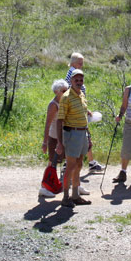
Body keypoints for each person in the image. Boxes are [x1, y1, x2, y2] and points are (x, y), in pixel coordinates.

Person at [55, 69, 93, 207]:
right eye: (76, 80)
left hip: (82, 133)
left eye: (81, 80)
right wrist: (59, 142)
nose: (78, 82)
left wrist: (88, 136)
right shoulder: (66, 97)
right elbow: (60, 120)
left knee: (79, 164)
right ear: (71, 81)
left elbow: (83, 116)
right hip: (71, 134)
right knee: (70, 166)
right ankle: (65, 197)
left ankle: (75, 196)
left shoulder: (81, 94)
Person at [65, 52, 103, 172]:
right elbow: (70, 92)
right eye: (80, 62)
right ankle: (70, 164)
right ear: (74, 63)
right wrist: (82, 109)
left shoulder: (72, 72)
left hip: (79, 110)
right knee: (82, 137)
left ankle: (90, 162)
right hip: (75, 113)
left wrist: (85, 108)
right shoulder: (72, 74)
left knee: (84, 136)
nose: (82, 64)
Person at [40, 79, 69, 198]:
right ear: (57, 92)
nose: (66, 92)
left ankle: (70, 186)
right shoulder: (53, 105)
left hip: (64, 137)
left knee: (68, 161)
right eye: (64, 90)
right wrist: (45, 142)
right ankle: (44, 187)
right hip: (54, 138)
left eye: (67, 90)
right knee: (52, 163)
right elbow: (47, 124)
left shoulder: (64, 102)